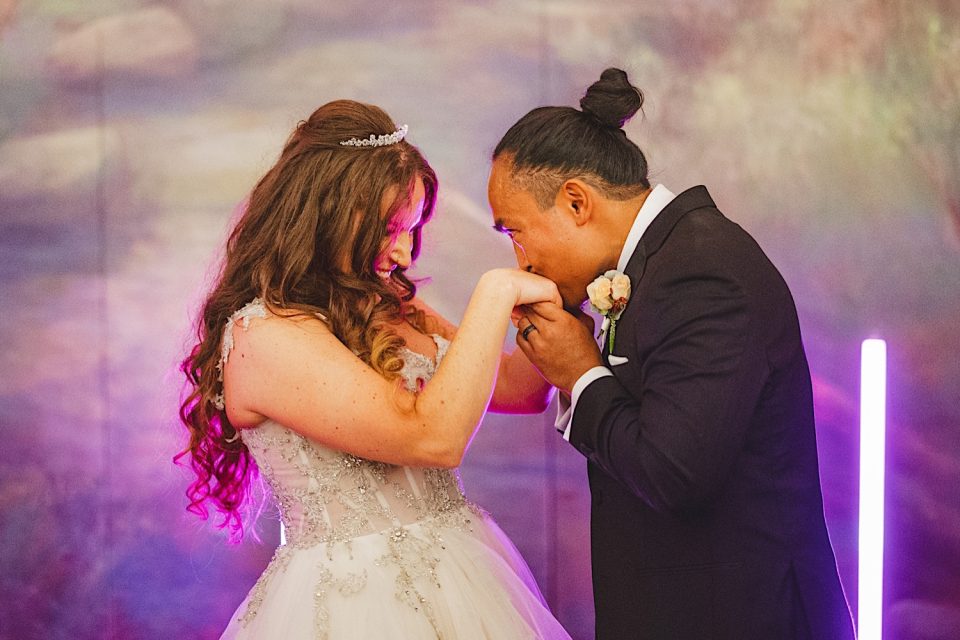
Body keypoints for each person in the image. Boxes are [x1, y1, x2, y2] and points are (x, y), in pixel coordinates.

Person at [176, 99, 571, 639]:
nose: (405, 254)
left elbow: (522, 390)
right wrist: (496, 292)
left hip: (460, 575)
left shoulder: (388, 305)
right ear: (326, 216)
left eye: (413, 228)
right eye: (389, 228)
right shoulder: (263, 335)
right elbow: (431, 437)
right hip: (352, 603)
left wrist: (557, 275)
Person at [488, 68, 856, 639]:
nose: (522, 260)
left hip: (737, 616)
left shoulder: (701, 271)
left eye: (516, 232)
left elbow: (674, 473)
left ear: (576, 203)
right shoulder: (663, 262)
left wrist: (582, 373)